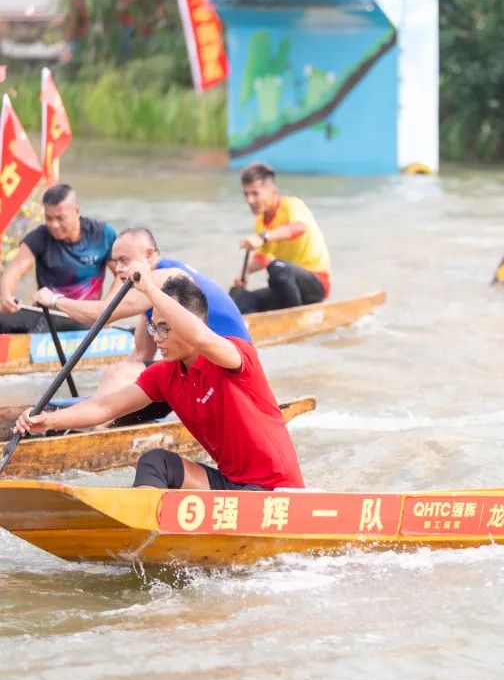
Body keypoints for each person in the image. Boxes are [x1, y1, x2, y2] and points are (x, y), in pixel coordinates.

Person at [16, 263, 304, 491]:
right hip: (231, 486)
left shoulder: (234, 355)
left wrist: (151, 289)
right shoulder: (164, 375)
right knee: (156, 462)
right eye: (154, 328)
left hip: (274, 491)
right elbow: (104, 407)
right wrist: (48, 420)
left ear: (191, 323)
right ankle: (136, 538)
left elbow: (202, 337)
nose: (158, 338)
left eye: (166, 328)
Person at [33, 227, 251, 408]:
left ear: (149, 255)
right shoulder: (150, 292)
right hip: (202, 369)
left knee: (119, 373)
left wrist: (54, 300)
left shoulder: (166, 278)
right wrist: (106, 400)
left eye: (125, 260)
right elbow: (142, 352)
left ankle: (86, 434)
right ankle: (96, 422)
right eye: (115, 261)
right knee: (122, 373)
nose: (118, 269)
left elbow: (102, 316)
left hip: (229, 372)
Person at [0, 184, 117, 333]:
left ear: (77, 211)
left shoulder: (102, 234)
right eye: (48, 218)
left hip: (85, 316)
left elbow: (122, 275)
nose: (54, 225)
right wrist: (6, 296)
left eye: (60, 218)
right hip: (49, 313)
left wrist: (107, 310)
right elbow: (13, 272)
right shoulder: (40, 237)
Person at [231, 162, 332, 314]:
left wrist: (264, 237)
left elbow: (298, 228)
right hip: (287, 287)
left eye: (255, 193)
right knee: (239, 296)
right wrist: (245, 273)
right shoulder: (260, 222)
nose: (249, 200)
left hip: (315, 283)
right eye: (246, 194)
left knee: (277, 268)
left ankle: (296, 320)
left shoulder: (292, 205)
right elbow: (264, 258)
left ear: (272, 191)